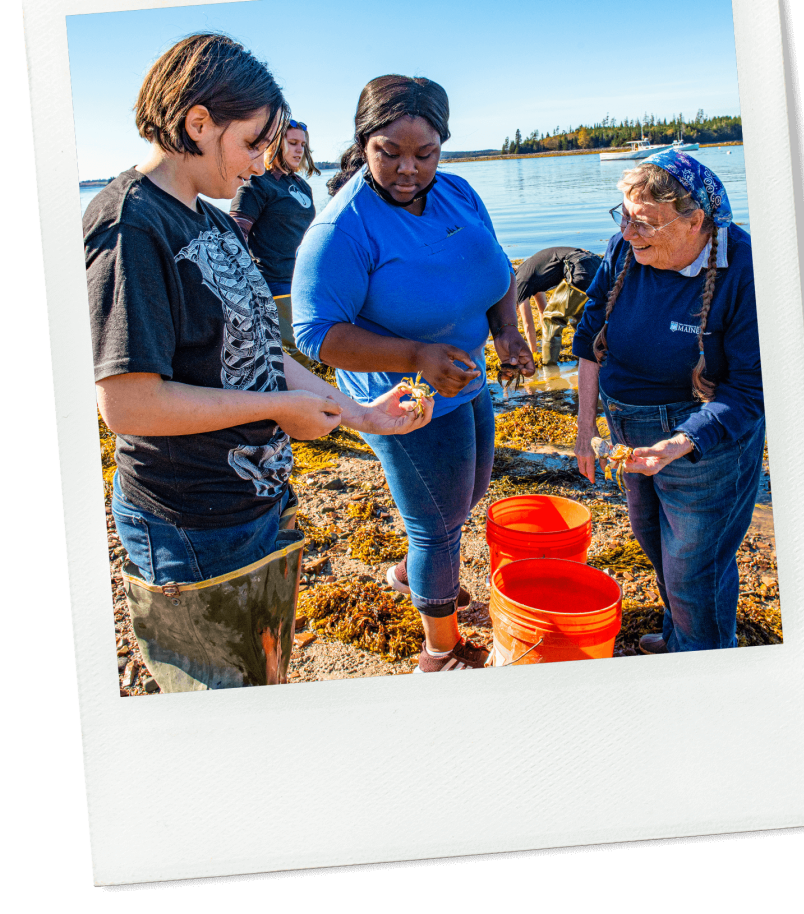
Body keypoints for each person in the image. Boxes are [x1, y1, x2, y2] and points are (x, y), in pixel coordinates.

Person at [85, 35, 432, 691]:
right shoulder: (131, 225)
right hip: (188, 523)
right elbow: (127, 406)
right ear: (198, 124)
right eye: (251, 143)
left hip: (257, 504)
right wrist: (276, 407)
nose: (260, 163)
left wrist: (358, 414)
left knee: (262, 681)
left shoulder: (211, 224)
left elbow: (261, 348)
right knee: (219, 708)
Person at [292, 74, 535, 672]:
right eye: (388, 153)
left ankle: (408, 575)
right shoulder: (342, 228)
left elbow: (496, 268)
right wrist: (415, 357)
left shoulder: (459, 193)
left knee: (470, 494)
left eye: (424, 154)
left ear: (442, 146)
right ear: (362, 144)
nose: (408, 169)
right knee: (438, 524)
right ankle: (441, 653)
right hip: (406, 402)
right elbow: (316, 334)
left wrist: (506, 331)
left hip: (466, 381)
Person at [572, 149, 763, 654]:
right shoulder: (624, 250)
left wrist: (682, 442)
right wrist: (585, 430)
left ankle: (700, 661)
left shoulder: (744, 268)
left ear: (695, 220)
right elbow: (589, 333)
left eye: (646, 224)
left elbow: (751, 390)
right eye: (625, 218)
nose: (628, 234)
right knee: (655, 541)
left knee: (695, 567)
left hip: (704, 440)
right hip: (627, 429)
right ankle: (683, 636)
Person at [230, 118, 320, 369]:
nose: (299, 150)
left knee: (309, 351)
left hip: (303, 282)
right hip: (275, 285)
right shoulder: (257, 183)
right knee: (292, 357)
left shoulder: (301, 185)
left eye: (302, 144)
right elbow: (235, 235)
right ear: (274, 145)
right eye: (292, 143)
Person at [514, 246, 602, 363]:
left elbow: (527, 323)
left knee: (553, 318)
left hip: (579, 267)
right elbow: (542, 311)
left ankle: (548, 365)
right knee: (578, 318)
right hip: (595, 263)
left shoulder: (519, 282)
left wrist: (533, 352)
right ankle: (591, 357)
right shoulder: (529, 273)